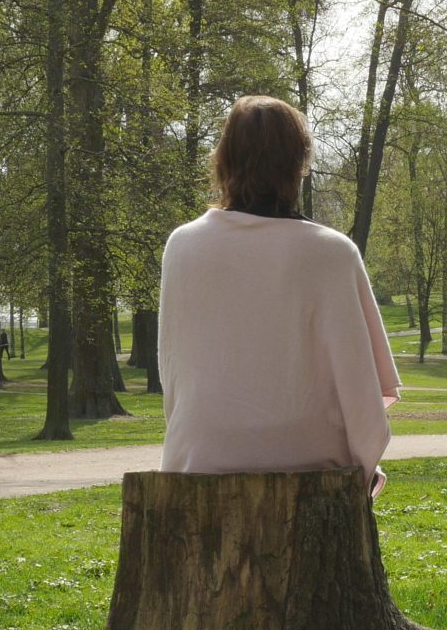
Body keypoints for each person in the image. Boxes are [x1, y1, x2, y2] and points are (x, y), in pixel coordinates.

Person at [157, 95, 401, 496]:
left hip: (197, 458)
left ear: (223, 159)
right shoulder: (332, 252)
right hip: (310, 463)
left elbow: (175, 371)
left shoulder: (183, 246)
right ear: (298, 163)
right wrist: (364, 470)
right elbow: (361, 388)